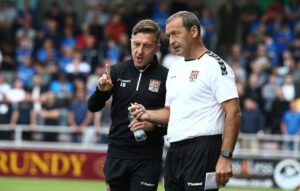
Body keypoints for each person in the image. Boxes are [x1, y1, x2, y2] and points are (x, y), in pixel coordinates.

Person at [129, 11, 241, 191]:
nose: (171, 40)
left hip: (203, 149)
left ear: (194, 31)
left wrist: (225, 156)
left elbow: (233, 112)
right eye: (169, 35)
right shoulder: (175, 68)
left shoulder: (215, 66)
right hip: (174, 150)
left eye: (176, 34)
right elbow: (170, 112)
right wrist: (146, 113)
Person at [87, 19, 168, 191]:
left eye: (146, 46)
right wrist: (101, 91)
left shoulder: (167, 77)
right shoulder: (116, 71)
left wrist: (152, 127)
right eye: (136, 44)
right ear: (130, 43)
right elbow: (93, 107)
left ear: (156, 48)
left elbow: (173, 121)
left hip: (148, 158)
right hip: (117, 154)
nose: (139, 51)